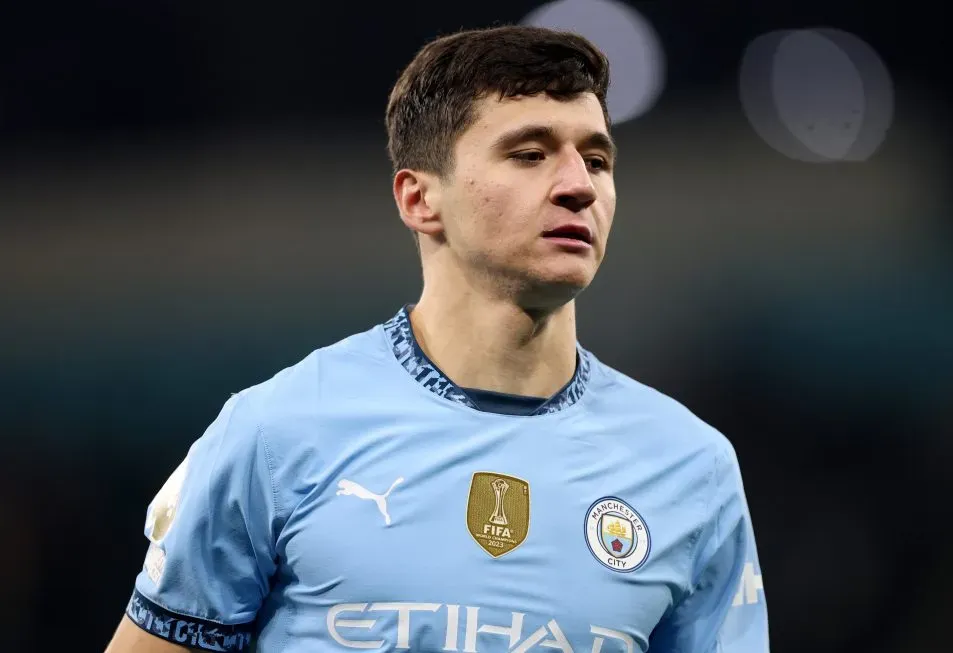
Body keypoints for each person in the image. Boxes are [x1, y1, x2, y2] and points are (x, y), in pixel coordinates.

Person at [104, 24, 769, 653]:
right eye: (530, 154)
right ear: (419, 199)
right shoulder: (275, 434)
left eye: (596, 160)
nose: (578, 187)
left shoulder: (691, 468)